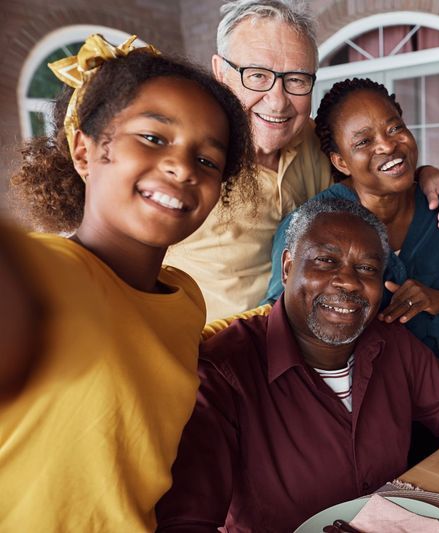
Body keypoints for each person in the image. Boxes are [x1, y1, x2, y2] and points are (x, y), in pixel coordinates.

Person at [155, 198, 439, 532]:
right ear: (289, 267)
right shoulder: (224, 371)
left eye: (367, 269)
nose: (349, 282)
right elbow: (186, 518)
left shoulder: (389, 341)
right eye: (325, 260)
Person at [1, 35, 255, 530]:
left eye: (207, 160)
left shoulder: (184, 298)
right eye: (153, 138)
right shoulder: (46, 275)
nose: (182, 166)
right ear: (85, 151)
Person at [165, 0, 439, 321]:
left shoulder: (313, 141)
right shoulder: (179, 161)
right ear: (221, 72)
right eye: (257, 75)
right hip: (204, 353)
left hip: (309, 345)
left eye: (296, 80)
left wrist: (423, 175)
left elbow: (370, 170)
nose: (277, 101)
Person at [264, 78, 439, 363]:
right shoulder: (309, 226)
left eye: (395, 128)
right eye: (364, 141)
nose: (388, 146)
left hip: (428, 374)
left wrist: (438, 301)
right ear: (340, 161)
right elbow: (277, 326)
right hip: (344, 387)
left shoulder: (437, 207)